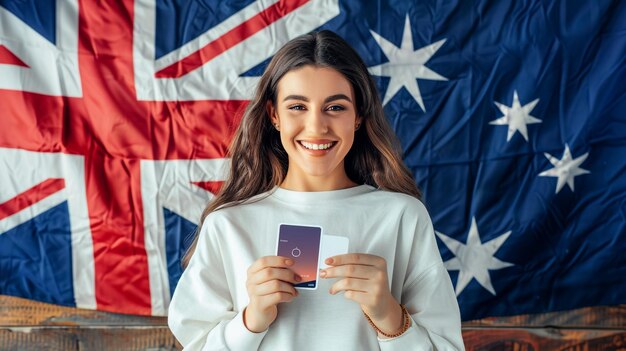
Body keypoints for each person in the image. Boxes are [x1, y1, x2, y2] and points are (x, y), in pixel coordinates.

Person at [168, 30, 465, 351]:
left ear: (358, 117)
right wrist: (251, 319)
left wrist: (390, 316)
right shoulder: (228, 224)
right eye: (297, 106)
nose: (316, 126)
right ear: (273, 114)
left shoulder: (403, 216)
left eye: (335, 108)